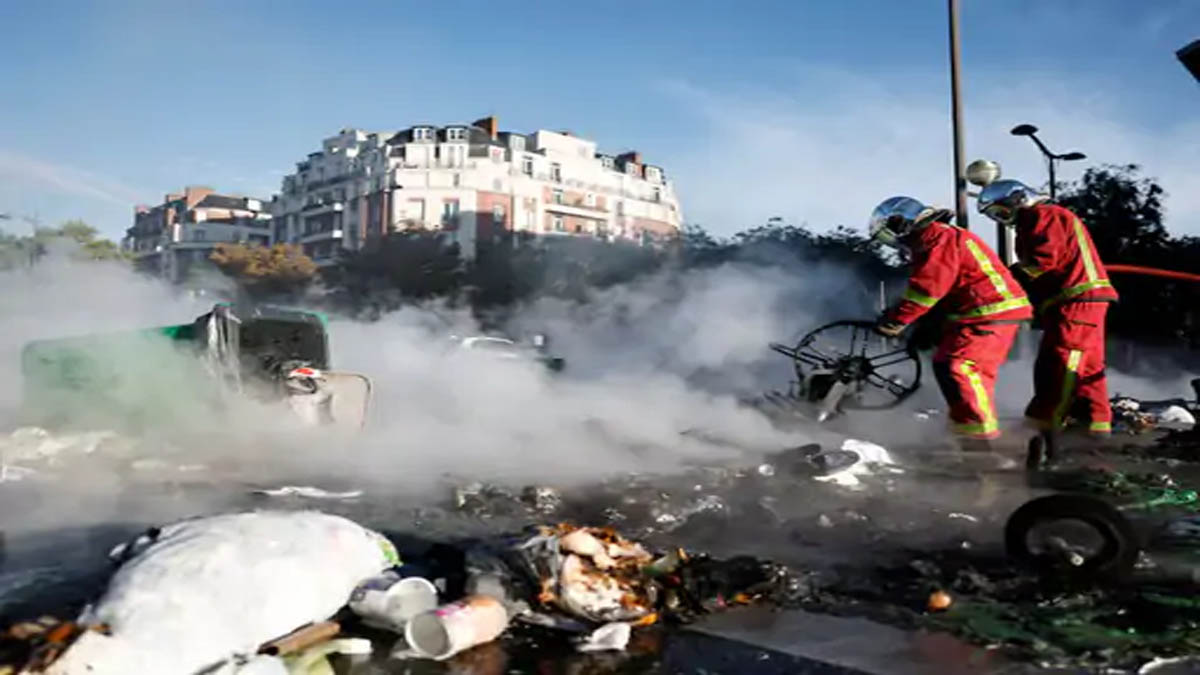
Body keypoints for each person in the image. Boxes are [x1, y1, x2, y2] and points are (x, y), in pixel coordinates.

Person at [870, 196, 1033, 449]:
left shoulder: (936, 239)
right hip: (980, 311)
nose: (898, 243)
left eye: (892, 233)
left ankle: (979, 444)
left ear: (902, 224)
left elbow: (927, 291)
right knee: (945, 363)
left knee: (961, 367)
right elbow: (944, 291)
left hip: (990, 311)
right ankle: (966, 431)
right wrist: (926, 326)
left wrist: (894, 321)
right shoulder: (939, 237)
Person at [978, 180, 1118, 463]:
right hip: (1078, 301)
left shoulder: (1043, 215)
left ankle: (1047, 430)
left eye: (1001, 212)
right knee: (1088, 369)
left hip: (1076, 300)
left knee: (1061, 363)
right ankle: (1094, 433)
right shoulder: (1042, 219)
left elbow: (1043, 260)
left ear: (1018, 200)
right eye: (996, 216)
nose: (1003, 219)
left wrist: (1006, 280)